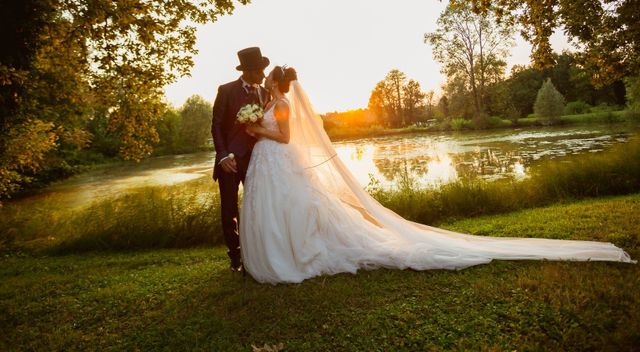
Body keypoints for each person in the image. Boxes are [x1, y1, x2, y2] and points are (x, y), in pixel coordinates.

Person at [239, 66, 635, 284]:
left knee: (295, 208)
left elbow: (286, 136)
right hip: (272, 165)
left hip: (277, 158)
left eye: (269, 80)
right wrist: (257, 126)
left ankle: (294, 255)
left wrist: (257, 130)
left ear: (276, 82)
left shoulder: (284, 103)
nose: (267, 84)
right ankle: (282, 252)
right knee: (287, 209)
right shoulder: (272, 100)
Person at [211, 47, 270, 272]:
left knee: (257, 207)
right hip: (229, 162)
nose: (263, 76)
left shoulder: (265, 93)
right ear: (248, 71)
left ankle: (255, 254)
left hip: (256, 160)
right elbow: (216, 125)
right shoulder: (225, 91)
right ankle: (235, 257)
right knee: (229, 210)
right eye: (259, 71)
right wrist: (223, 156)